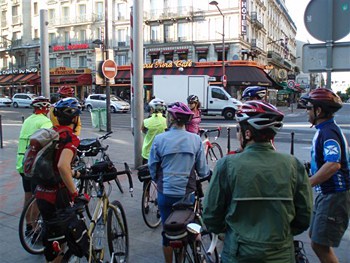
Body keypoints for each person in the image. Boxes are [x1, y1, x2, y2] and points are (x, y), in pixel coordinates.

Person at [203, 100, 313, 263]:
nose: (238, 134)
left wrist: (228, 234)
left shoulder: (226, 165)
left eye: (239, 129)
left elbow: (211, 215)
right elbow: (304, 216)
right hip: (281, 253)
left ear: (247, 134)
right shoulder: (293, 165)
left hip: (238, 253)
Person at [148, 102, 209, 263]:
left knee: (168, 232)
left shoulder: (159, 139)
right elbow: (202, 171)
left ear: (172, 119)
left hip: (165, 193)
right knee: (189, 227)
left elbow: (152, 167)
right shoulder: (195, 140)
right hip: (186, 194)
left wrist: (157, 180)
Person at [301, 88, 350, 263]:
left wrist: (307, 183)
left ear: (318, 111)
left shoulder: (328, 132)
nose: (307, 112)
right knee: (315, 237)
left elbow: (333, 164)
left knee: (320, 244)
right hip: (327, 194)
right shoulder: (325, 129)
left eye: (308, 108)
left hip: (334, 195)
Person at [35, 98, 84, 262]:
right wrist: (74, 192)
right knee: (61, 240)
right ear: (75, 118)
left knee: (52, 240)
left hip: (41, 191)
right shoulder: (70, 137)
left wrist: (74, 174)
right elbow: (63, 166)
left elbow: (54, 163)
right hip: (57, 196)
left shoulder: (52, 132)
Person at [16, 96, 53, 235]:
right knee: (38, 197)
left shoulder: (28, 120)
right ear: (45, 108)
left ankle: (29, 226)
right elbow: (49, 143)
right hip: (35, 165)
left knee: (28, 195)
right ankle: (36, 229)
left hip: (22, 163)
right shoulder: (45, 121)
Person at [141, 98, 167, 164]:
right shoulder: (166, 121)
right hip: (162, 152)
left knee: (146, 173)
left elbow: (143, 131)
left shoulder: (146, 121)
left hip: (148, 153)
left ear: (152, 109)